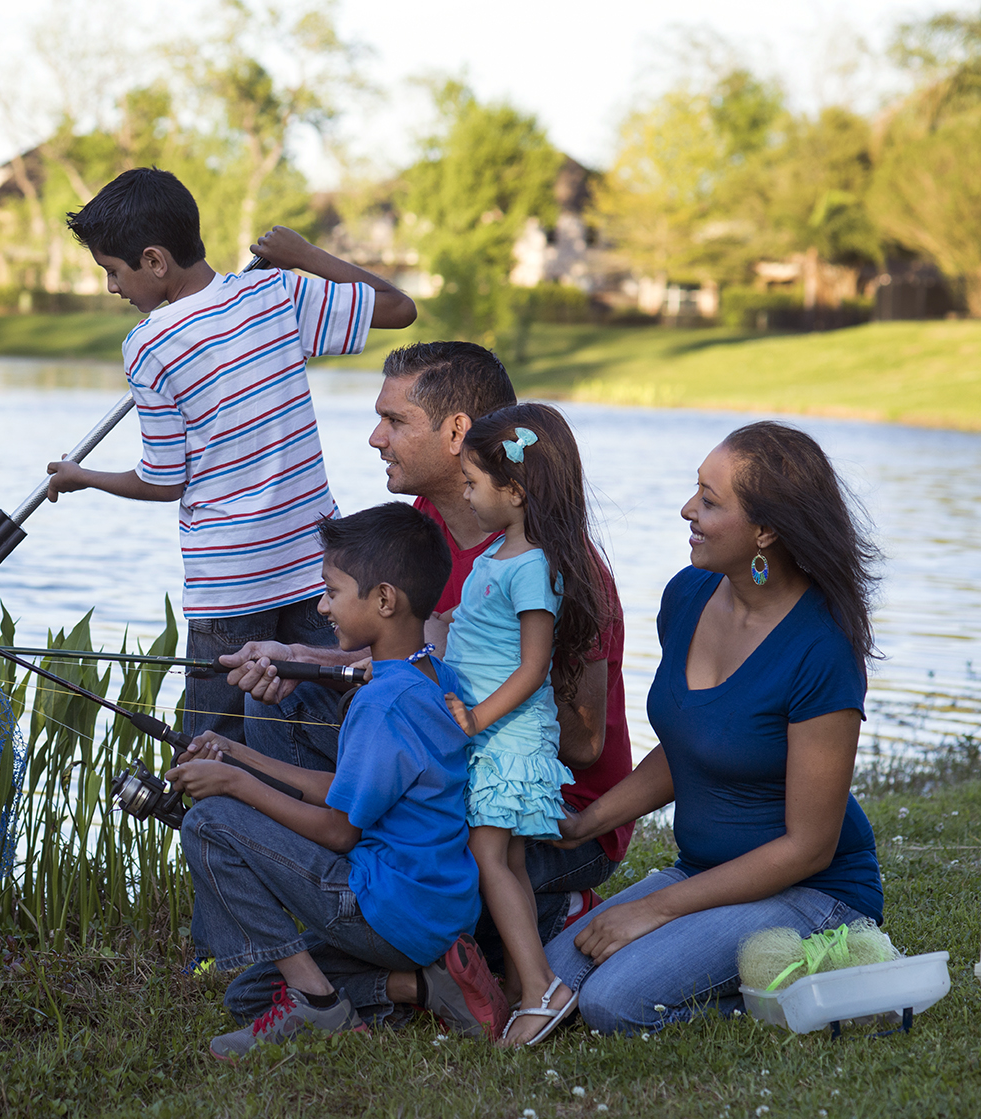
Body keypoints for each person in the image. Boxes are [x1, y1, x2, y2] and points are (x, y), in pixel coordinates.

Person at [219, 342, 635, 954]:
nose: (375, 438)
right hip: (449, 770)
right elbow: (411, 661)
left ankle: (553, 912)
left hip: (542, 815)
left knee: (453, 885)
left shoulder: (556, 568)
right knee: (280, 697)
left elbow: (583, 740)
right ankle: (355, 898)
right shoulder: (423, 525)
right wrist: (315, 662)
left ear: (457, 432)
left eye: (394, 421)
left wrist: (449, 681)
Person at [45, 166, 418, 744]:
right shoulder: (275, 294)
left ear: (155, 261)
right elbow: (398, 307)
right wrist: (305, 254)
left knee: (213, 746)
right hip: (315, 568)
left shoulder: (147, 345)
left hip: (228, 582)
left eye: (113, 272)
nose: (114, 288)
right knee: (327, 728)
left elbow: (163, 480)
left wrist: (83, 476)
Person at [540, 421, 882, 1037]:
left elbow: (810, 846)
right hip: (703, 873)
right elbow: (693, 745)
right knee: (550, 980)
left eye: (710, 500)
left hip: (813, 891)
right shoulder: (688, 595)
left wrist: (654, 909)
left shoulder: (822, 649)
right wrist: (587, 823)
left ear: (766, 530)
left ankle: (821, 979)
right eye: (695, 490)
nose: (686, 510)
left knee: (612, 1003)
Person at [169, 503, 509, 1059]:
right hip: (435, 911)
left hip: (392, 908)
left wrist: (231, 786)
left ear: (383, 600)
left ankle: (320, 1006)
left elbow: (338, 830)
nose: (321, 606)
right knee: (251, 992)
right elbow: (343, 789)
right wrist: (237, 756)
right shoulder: (430, 676)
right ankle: (424, 987)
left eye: (331, 591)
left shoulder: (382, 702)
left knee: (207, 822)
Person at [440, 405, 610, 1045]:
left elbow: (535, 667)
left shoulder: (534, 566)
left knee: (491, 857)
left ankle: (542, 987)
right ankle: (522, 989)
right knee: (503, 858)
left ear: (514, 491)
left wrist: (475, 718)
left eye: (474, 483)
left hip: (506, 736)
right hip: (489, 733)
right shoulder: (498, 554)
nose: (465, 493)